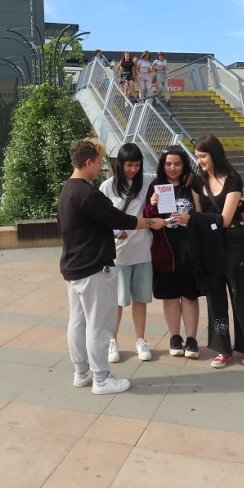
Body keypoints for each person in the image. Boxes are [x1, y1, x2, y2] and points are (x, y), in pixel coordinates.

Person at [58, 138, 166, 395]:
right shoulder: (88, 193)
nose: (101, 168)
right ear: (88, 162)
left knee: (78, 323)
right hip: (94, 269)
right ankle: (101, 378)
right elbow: (118, 218)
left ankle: (81, 372)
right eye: (98, 163)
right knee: (99, 326)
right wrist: (151, 223)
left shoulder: (67, 190)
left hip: (74, 268)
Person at [191, 134, 244, 368]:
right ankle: (222, 349)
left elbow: (226, 220)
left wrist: (197, 221)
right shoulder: (197, 182)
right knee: (215, 298)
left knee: (241, 297)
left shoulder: (233, 181)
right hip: (210, 247)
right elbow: (200, 215)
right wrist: (198, 221)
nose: (199, 161)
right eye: (197, 157)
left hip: (235, 245)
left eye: (203, 156)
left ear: (215, 154)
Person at [99, 143, 157, 363]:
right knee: (117, 301)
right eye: (129, 165)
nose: (133, 170)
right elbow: (100, 217)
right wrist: (114, 231)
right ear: (120, 164)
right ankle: (112, 341)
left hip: (143, 252)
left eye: (137, 165)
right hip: (119, 255)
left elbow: (171, 175)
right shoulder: (107, 187)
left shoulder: (148, 181)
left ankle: (140, 340)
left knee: (140, 299)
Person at [143, 146, 201, 359]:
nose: (173, 168)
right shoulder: (156, 186)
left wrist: (191, 220)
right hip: (164, 251)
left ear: (184, 165)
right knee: (169, 298)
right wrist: (152, 205)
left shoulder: (192, 184)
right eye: (168, 164)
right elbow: (148, 221)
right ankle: (175, 337)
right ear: (162, 165)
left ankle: (192, 339)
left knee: (190, 297)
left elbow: (203, 214)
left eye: (177, 164)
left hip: (189, 251)